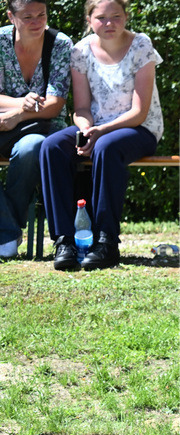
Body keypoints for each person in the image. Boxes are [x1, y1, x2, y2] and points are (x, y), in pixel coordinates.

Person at [39, 0, 163, 271]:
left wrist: (100, 132)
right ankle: (65, 240)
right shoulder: (80, 51)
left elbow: (140, 112)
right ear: (89, 20)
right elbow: (82, 108)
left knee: (105, 146)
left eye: (116, 16)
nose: (109, 24)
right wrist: (85, 131)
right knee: (51, 146)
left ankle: (106, 242)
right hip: (98, 128)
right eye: (101, 17)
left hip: (139, 129)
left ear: (126, 17)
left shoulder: (141, 45)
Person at [0, 0, 71, 260]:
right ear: (11, 16)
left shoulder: (61, 43)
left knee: (32, 148)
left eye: (41, 14)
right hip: (2, 126)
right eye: (28, 16)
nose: (37, 22)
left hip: (42, 127)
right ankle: (7, 232)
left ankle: (7, 231)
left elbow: (55, 104)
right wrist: (23, 102)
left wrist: (19, 114)